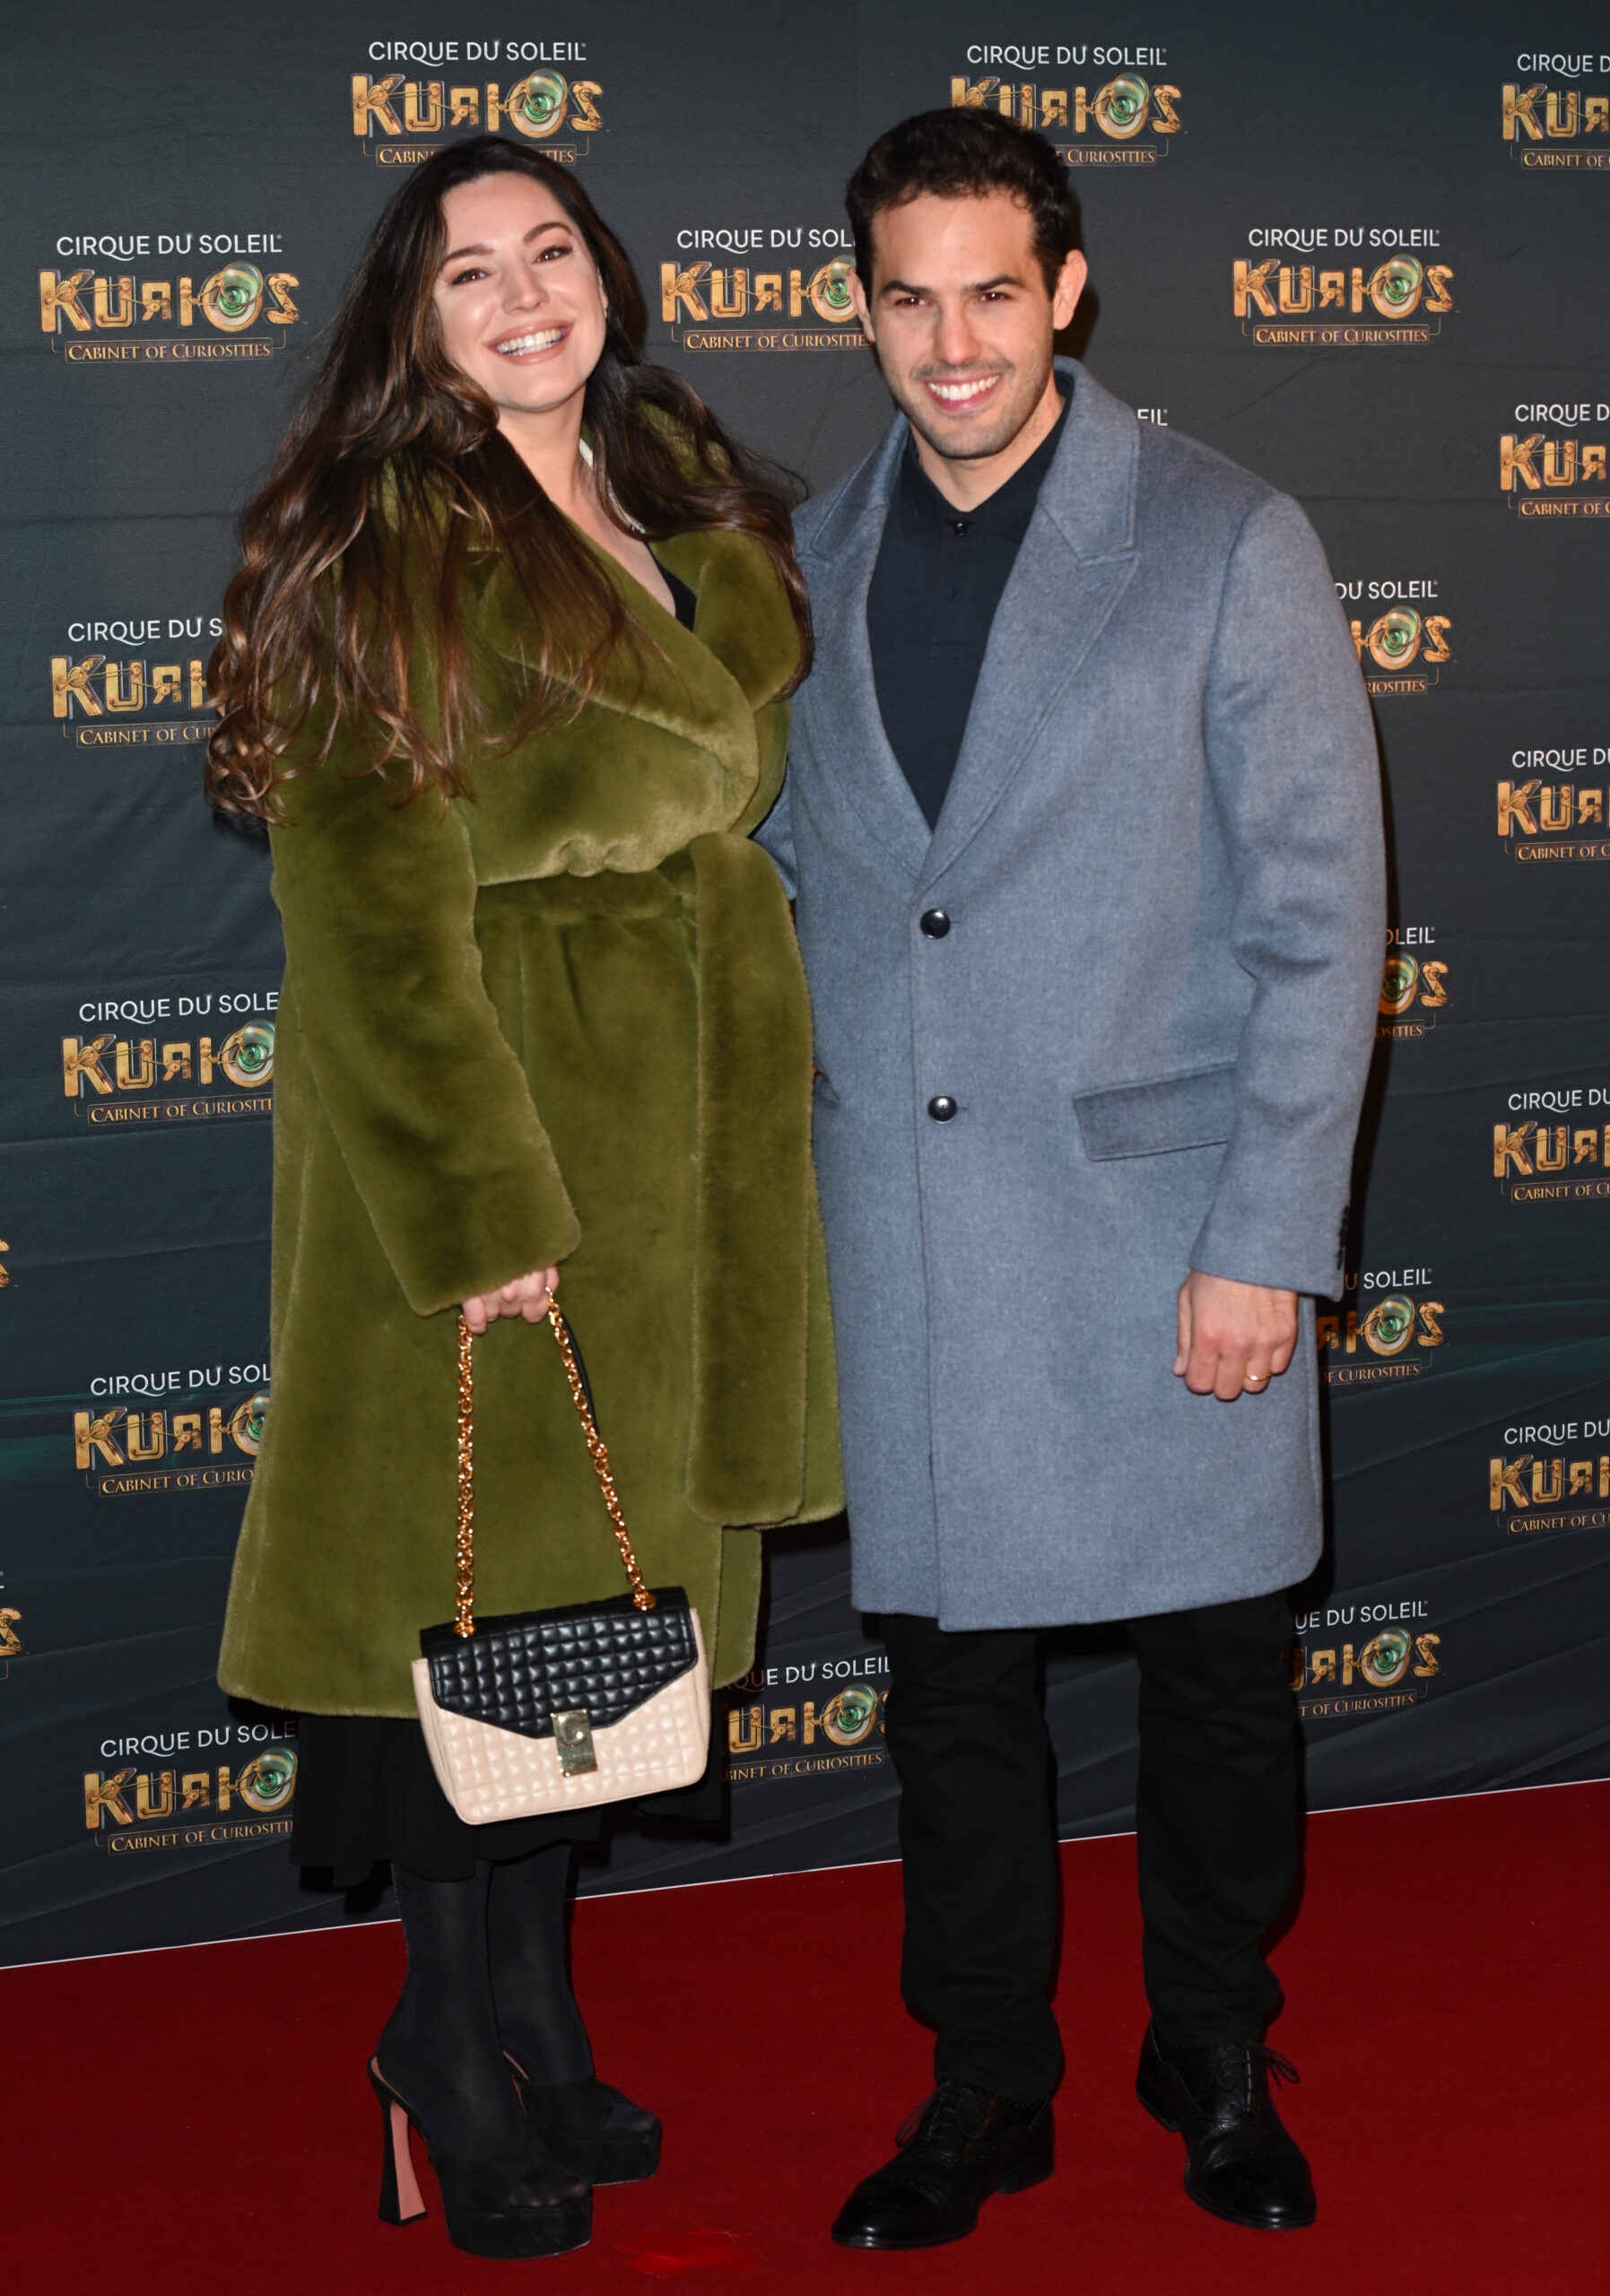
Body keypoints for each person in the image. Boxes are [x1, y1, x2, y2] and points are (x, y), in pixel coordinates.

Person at [205, 135, 840, 2262]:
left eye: (550, 249)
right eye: (468, 270)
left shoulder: (680, 501)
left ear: (609, 275)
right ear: (417, 320)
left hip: (681, 1139)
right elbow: (364, 921)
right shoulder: (384, 541)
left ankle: (541, 2013)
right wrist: (484, 1214)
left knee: (590, 1617)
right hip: (486, 1129)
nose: (523, 295)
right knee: (465, 1598)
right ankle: (438, 2046)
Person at [757, 109, 1383, 2248]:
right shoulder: (799, 566)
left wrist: (1266, 1240)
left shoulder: (1223, 535)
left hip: (1164, 1239)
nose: (953, 344)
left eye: (993, 294)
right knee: (951, 1699)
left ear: (1068, 293)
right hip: (917, 1245)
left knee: (1217, 1679)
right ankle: (984, 2078)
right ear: (860, 307)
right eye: (909, 298)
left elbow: (1318, 918)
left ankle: (1210, 2044)